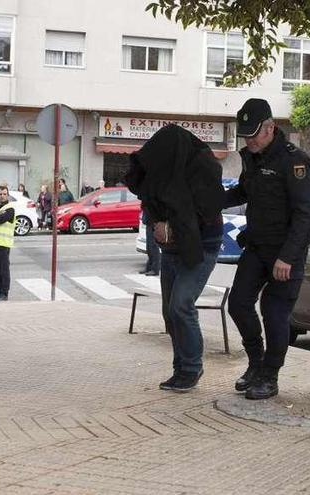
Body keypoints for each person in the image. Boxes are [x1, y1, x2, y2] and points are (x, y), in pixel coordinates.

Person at [224, 98, 310, 400]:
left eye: (254, 134)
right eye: (246, 135)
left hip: (285, 254)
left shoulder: (295, 161)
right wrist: (209, 198)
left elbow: (307, 214)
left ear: (270, 128)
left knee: (274, 314)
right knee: (238, 303)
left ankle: (270, 376)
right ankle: (255, 362)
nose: (249, 140)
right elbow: (243, 191)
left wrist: (287, 257)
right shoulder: (253, 157)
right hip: (256, 247)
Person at [124, 125, 224, 393]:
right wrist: (158, 223)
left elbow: (206, 213)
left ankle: (192, 367)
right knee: (170, 311)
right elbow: (149, 199)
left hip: (202, 246)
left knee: (181, 305)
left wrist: (173, 226)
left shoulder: (201, 169)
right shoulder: (161, 172)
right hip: (170, 249)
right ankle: (181, 369)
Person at [141, 207, 161, 276]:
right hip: (149, 221)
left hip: (153, 221)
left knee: (153, 246)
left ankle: (155, 269)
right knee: (149, 247)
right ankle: (149, 266)